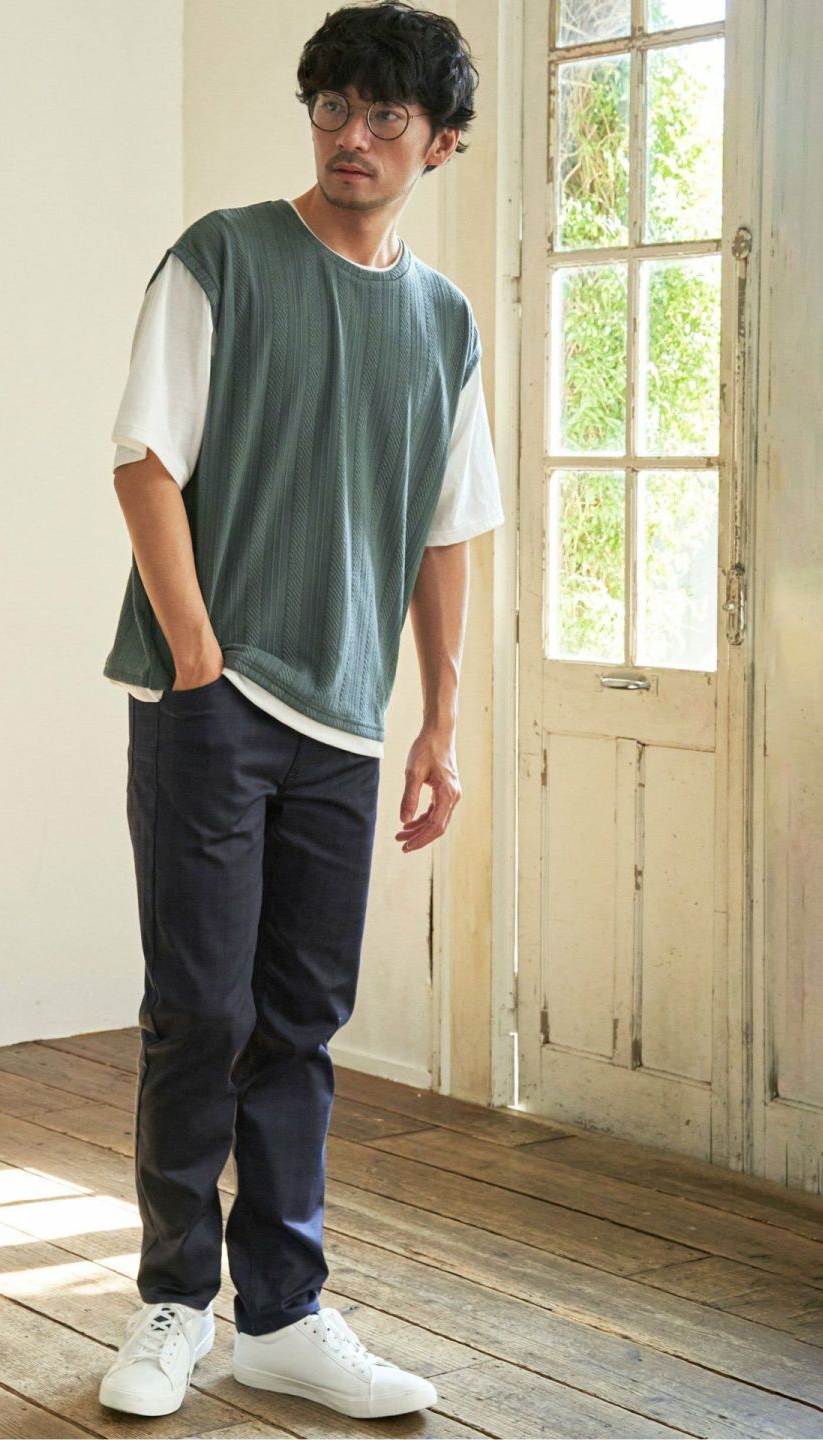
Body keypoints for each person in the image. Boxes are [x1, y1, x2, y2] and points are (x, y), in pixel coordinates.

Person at [98, 0, 503, 1420]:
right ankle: (171, 1304)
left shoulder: (444, 323)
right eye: (333, 107)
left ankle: (281, 1316)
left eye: (387, 116)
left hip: (345, 722)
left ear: (438, 144)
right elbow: (145, 461)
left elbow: (445, 530)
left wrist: (441, 724)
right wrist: (197, 657)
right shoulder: (223, 257)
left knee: (301, 1021)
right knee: (198, 1011)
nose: (352, 136)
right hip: (209, 701)